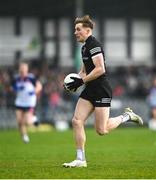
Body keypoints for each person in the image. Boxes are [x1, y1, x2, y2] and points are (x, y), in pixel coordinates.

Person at [62, 15, 143, 168]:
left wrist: (82, 81)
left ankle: (127, 116)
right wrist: (73, 81)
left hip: (101, 90)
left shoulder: (94, 45)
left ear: (88, 30)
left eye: (78, 29)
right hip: (90, 89)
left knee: (102, 130)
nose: (75, 32)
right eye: (75, 29)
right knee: (76, 121)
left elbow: (100, 69)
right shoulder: (84, 47)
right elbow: (84, 71)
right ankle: (80, 159)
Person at [12, 62, 42, 143]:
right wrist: (17, 89)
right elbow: (12, 88)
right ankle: (24, 136)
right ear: (19, 70)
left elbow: (39, 86)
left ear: (27, 70)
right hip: (19, 102)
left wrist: (34, 92)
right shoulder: (16, 78)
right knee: (19, 121)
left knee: (27, 122)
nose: (22, 72)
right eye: (21, 70)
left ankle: (33, 119)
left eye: (24, 70)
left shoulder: (31, 78)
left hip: (29, 102)